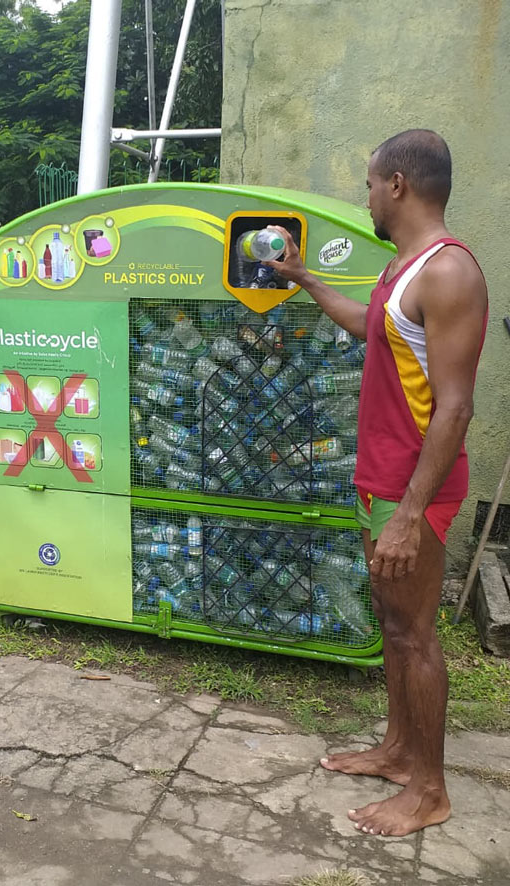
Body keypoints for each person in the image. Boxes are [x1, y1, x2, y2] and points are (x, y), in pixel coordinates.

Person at [267, 130, 488, 837]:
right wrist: (303, 277)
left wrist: (410, 514)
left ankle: (429, 791)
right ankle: (398, 752)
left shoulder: (448, 273)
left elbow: (455, 406)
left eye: (368, 184)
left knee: (417, 635)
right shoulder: (402, 269)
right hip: (382, 480)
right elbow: (372, 328)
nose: (366, 197)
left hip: (416, 490)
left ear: (396, 183)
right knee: (393, 625)